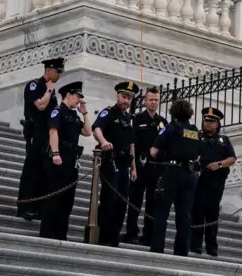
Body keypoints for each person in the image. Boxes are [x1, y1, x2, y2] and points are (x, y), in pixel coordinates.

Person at [39, 80, 91, 240]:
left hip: (71, 160)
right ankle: (47, 232)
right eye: (77, 96)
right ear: (68, 95)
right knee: (54, 196)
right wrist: (55, 153)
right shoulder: (58, 111)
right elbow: (53, 132)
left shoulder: (74, 115)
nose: (79, 100)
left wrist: (85, 112)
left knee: (67, 200)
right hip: (59, 158)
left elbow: (87, 132)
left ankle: (61, 233)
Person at [149, 98, 200, 257]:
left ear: (173, 112)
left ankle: (157, 249)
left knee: (161, 213)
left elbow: (153, 151)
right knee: (184, 215)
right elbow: (198, 156)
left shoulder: (171, 127)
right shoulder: (194, 130)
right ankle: (181, 251)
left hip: (172, 172)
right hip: (189, 174)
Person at [92, 80, 138, 246]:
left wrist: (134, 168)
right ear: (118, 96)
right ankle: (104, 236)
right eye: (124, 97)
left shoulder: (129, 118)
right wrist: (103, 141)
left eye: (129, 98)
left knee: (122, 201)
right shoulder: (109, 112)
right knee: (109, 199)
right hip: (111, 161)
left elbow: (132, 144)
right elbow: (96, 127)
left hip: (125, 163)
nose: (126, 101)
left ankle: (114, 236)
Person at [17, 57, 64, 220]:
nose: (59, 74)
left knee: (43, 171)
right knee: (31, 169)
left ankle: (37, 206)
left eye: (60, 72)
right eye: (57, 71)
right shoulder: (35, 85)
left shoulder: (51, 90)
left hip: (46, 134)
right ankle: (24, 206)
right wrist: (49, 90)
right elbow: (41, 105)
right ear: (48, 70)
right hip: (35, 132)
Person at [190, 106, 236, 257]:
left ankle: (211, 246)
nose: (208, 124)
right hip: (199, 181)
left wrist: (219, 164)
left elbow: (232, 158)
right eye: (206, 121)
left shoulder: (224, 140)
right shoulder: (196, 136)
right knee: (197, 213)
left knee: (212, 214)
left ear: (218, 124)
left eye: (212, 121)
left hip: (216, 183)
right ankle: (195, 245)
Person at [122, 86, 165, 246]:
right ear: (145, 101)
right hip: (140, 166)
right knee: (135, 201)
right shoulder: (137, 119)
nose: (153, 103)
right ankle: (131, 232)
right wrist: (132, 166)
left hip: (156, 168)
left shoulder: (163, 123)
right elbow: (131, 143)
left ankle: (148, 236)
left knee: (153, 205)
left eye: (156, 100)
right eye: (151, 99)